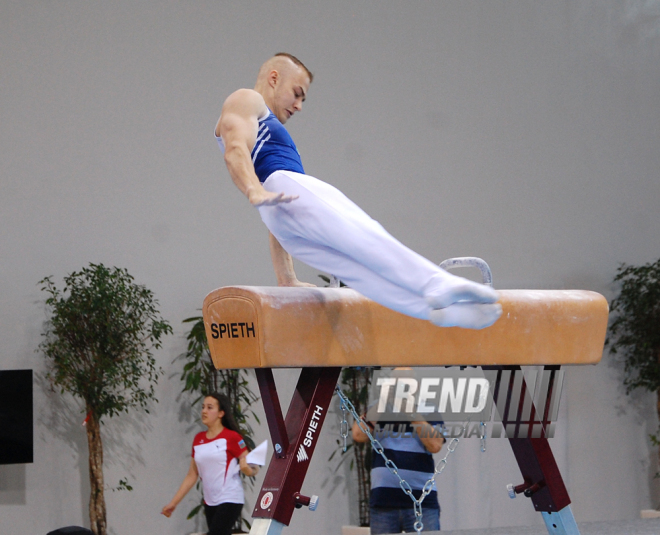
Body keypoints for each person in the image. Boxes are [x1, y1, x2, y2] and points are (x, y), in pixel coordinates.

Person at [215, 53, 502, 330]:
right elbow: (235, 148)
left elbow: (276, 200)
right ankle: (437, 284)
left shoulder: (265, 131)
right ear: (274, 78)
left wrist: (287, 278)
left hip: (280, 221)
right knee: (366, 234)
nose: (300, 105)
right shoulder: (246, 99)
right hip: (279, 188)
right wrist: (254, 190)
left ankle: (437, 311)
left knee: (357, 271)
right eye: (297, 92)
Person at [161, 393, 259, 535]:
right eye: (203, 407)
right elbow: (192, 475)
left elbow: (253, 466)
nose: (204, 411)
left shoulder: (232, 437)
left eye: (209, 407)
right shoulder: (198, 439)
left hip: (230, 498)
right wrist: (173, 503)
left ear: (221, 413)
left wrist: (248, 470)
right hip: (209, 501)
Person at [352, 413, 445, 533]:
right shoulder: (377, 408)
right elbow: (358, 435)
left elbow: (435, 445)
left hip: (422, 503)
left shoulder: (428, 409)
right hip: (383, 502)